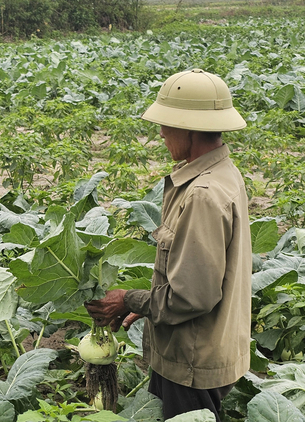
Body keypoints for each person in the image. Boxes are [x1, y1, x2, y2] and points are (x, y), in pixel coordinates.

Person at [85, 69, 251, 420]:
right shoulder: (223, 173)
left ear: (189, 128)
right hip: (201, 349)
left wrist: (128, 298)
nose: (160, 133)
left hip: (191, 361)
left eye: (166, 124)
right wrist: (146, 307)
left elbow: (193, 297)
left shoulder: (202, 195)